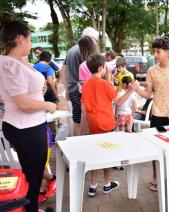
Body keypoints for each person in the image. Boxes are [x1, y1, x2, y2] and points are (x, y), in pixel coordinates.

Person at [0, 20, 56, 212]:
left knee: (35, 171)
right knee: (33, 174)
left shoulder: (16, 61)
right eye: (30, 40)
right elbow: (23, 103)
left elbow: (16, 92)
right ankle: (30, 208)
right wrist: (48, 104)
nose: (32, 45)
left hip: (30, 125)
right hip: (26, 127)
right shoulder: (9, 64)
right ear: (20, 39)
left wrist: (38, 88)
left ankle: (31, 206)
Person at [131, 36, 169, 191]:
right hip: (156, 116)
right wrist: (136, 89)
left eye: (158, 51)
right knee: (156, 148)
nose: (155, 55)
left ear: (167, 52)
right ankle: (156, 177)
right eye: (154, 51)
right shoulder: (151, 71)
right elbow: (148, 94)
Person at [81, 53, 134, 197]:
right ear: (100, 68)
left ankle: (92, 186)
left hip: (93, 125)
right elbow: (118, 101)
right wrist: (130, 91)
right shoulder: (105, 84)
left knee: (94, 154)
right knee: (107, 155)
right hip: (106, 123)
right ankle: (106, 184)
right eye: (105, 66)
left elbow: (83, 107)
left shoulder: (85, 85)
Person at [59, 27, 99, 136]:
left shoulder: (71, 50)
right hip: (83, 91)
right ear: (89, 39)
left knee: (77, 120)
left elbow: (62, 70)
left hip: (73, 90)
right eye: (95, 40)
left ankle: (76, 146)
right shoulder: (85, 51)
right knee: (86, 120)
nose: (96, 43)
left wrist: (67, 88)